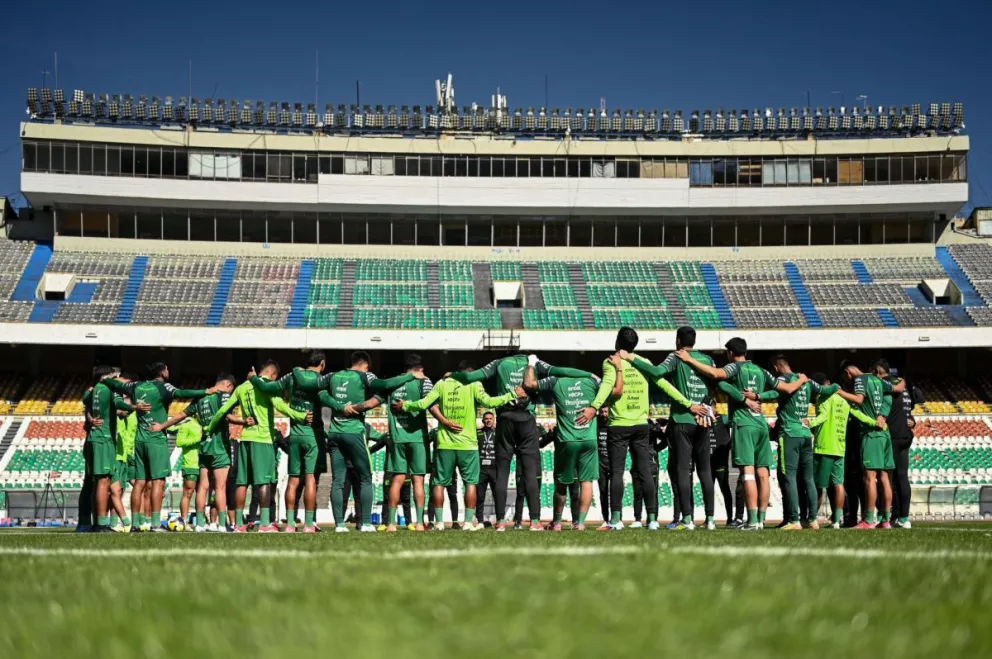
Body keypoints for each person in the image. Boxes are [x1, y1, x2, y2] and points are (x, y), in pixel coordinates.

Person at [448, 354, 591, 532]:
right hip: (527, 420)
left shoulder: (498, 363)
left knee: (502, 471)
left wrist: (452, 375)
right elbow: (561, 371)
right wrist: (588, 375)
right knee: (530, 473)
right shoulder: (534, 363)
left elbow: (469, 377)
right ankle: (534, 522)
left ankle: (500, 522)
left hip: (505, 419)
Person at [397, 360, 524, 531]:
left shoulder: (442, 383)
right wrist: (512, 394)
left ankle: (440, 523)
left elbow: (424, 403)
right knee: (470, 484)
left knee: (439, 484)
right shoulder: (473, 383)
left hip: (445, 443)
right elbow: (490, 402)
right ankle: (467, 523)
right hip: (468, 444)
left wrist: (405, 405)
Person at [677, 338, 779, 531]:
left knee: (747, 474)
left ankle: (751, 521)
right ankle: (760, 521)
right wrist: (758, 396)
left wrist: (690, 360)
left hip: (744, 424)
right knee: (763, 474)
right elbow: (777, 392)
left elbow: (718, 378)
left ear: (731, 353)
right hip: (761, 424)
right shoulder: (761, 370)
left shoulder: (735, 368)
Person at [624, 326, 717, 530]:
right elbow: (714, 384)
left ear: (677, 340)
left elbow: (657, 372)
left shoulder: (675, 357)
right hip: (703, 421)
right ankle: (710, 520)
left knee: (683, 470)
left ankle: (687, 519)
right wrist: (706, 405)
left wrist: (632, 358)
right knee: (705, 470)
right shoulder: (708, 360)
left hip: (682, 419)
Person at [104, 362, 215, 532]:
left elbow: (115, 384)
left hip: (139, 441)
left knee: (140, 482)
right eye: (167, 369)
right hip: (156, 438)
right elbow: (181, 393)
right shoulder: (163, 386)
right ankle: (155, 524)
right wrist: (205, 391)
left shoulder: (136, 386)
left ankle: (135, 524)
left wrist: (105, 380)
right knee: (158, 482)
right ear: (163, 372)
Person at [203, 360, 310, 532]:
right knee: (264, 482)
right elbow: (280, 406)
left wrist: (209, 427)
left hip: (244, 439)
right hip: (262, 439)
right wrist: (300, 416)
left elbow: (223, 411)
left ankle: (239, 524)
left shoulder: (241, 387)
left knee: (242, 482)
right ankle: (265, 524)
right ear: (273, 374)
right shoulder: (267, 386)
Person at [321, 351, 417, 533]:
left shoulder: (333, 376)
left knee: (337, 481)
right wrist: (408, 376)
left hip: (333, 432)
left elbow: (320, 394)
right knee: (366, 478)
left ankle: (339, 525)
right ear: (365, 365)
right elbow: (386, 384)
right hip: (354, 432)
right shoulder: (365, 375)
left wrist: (338, 406)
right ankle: (365, 523)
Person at [248, 351, 332, 533]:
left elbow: (269, 388)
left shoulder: (292, 376)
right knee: (310, 479)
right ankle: (309, 524)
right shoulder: (320, 381)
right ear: (322, 364)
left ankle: (291, 524)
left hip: (293, 433)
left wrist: (254, 379)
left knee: (293, 480)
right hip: (313, 434)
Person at [151, 374, 242, 532]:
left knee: (203, 487)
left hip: (204, 447)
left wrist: (162, 426)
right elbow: (228, 416)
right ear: (228, 385)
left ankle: (200, 524)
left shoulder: (201, 397)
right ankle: (221, 525)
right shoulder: (224, 396)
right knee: (220, 487)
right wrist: (243, 421)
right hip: (219, 447)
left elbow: (180, 415)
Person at [767, 354, 838, 530]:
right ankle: (812, 520)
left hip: (789, 435)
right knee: (808, 479)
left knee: (788, 477)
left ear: (775, 368)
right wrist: (838, 385)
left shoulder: (782, 380)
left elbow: (772, 392)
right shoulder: (806, 380)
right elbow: (827, 390)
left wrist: (755, 395)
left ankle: (793, 520)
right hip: (806, 435)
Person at [808, 373, 881, 529]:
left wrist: (809, 423)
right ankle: (836, 521)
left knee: (818, 486)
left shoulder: (824, 397)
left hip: (824, 446)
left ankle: (812, 518)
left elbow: (824, 416)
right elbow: (859, 414)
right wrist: (874, 422)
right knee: (838, 484)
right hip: (840, 447)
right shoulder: (844, 398)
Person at [837, 360, 905, 529]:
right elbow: (898, 388)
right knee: (884, 477)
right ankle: (886, 520)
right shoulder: (879, 381)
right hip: (885, 433)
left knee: (869, 478)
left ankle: (868, 520)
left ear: (848, 373)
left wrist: (839, 392)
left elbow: (859, 399)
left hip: (871, 433)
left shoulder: (861, 380)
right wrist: (904, 379)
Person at [381, 353, 437, 532]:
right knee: (418, 481)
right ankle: (420, 523)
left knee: (396, 480)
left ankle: (391, 524)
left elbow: (376, 397)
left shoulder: (391, 383)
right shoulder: (424, 382)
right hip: (418, 438)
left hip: (397, 437)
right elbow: (431, 404)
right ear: (419, 368)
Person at [82, 366, 139, 532]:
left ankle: (96, 523)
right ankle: (101, 524)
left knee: (99, 483)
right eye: (114, 376)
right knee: (103, 481)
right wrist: (133, 407)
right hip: (104, 439)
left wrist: (90, 418)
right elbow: (119, 404)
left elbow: (87, 403)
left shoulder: (92, 390)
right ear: (106, 377)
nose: (116, 379)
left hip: (95, 439)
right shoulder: (108, 388)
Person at [873, 360, 918, 529]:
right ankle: (903, 517)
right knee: (902, 477)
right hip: (905, 436)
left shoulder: (883, 384)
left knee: (886, 478)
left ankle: (887, 517)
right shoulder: (903, 384)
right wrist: (911, 420)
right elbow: (908, 411)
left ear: (878, 371)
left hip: (891, 435)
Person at [110, 388, 138, 532]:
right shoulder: (112, 412)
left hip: (125, 455)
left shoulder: (129, 416)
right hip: (115, 455)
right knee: (115, 490)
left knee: (120, 490)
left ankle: (115, 523)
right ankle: (124, 522)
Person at [706, 408, 734, 525]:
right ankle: (709, 518)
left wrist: (730, 443)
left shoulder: (723, 418)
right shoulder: (703, 420)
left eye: (710, 407)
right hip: (707, 461)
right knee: (708, 490)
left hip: (720, 461)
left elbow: (735, 422)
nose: (708, 409)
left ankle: (730, 518)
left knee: (725, 489)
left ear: (715, 407)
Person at [175, 417, 201, 529]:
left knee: (202, 493)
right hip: (190, 464)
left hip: (205, 464)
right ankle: (183, 521)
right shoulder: (187, 425)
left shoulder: (206, 426)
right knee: (188, 493)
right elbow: (179, 442)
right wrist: (197, 438)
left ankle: (201, 523)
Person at [475, 411, 497, 525]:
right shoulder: (477, 433)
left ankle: (500, 520)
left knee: (498, 496)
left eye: (490, 418)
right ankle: (480, 521)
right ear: (483, 421)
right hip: (481, 469)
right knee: (480, 497)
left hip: (494, 469)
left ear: (493, 420)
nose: (488, 420)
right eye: (486, 419)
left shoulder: (498, 433)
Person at [595, 406, 611, 530]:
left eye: (606, 412)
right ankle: (606, 519)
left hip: (613, 462)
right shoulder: (595, 424)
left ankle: (617, 519)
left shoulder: (614, 423)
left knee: (615, 491)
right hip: (600, 463)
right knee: (603, 492)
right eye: (602, 412)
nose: (604, 414)